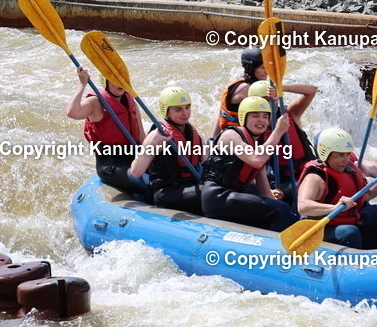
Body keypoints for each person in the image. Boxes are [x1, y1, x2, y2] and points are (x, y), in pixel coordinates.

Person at [297, 128, 377, 250]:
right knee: (350, 232)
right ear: (325, 154)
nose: (345, 159)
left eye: (347, 154)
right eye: (340, 155)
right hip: (323, 229)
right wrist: (334, 207)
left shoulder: (349, 171)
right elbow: (303, 206)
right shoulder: (315, 177)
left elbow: (368, 195)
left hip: (352, 224)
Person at [201, 96, 295, 232]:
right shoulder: (230, 135)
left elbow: (264, 191)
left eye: (265, 116)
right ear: (243, 117)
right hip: (218, 197)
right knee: (280, 210)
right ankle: (279, 244)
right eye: (255, 116)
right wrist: (279, 131)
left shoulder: (260, 145)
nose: (261, 120)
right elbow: (257, 160)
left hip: (236, 197)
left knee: (283, 207)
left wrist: (285, 211)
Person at [66, 66, 150, 198]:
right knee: (151, 184)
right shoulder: (95, 102)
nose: (120, 83)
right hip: (111, 166)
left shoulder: (130, 101)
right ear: (105, 81)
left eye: (122, 79)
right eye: (114, 80)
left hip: (134, 158)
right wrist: (82, 84)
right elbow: (72, 112)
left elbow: (141, 137)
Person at [128, 86, 205, 215]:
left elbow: (206, 163)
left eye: (187, 107)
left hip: (190, 186)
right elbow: (136, 171)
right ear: (166, 111)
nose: (185, 113)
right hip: (167, 193)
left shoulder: (194, 133)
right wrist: (153, 143)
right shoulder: (156, 135)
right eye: (178, 109)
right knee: (208, 193)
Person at [246, 79, 317, 189]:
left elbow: (312, 90)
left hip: (308, 172)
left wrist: (281, 88)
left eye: (273, 98)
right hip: (281, 181)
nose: (271, 103)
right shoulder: (252, 128)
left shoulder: (291, 113)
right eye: (265, 100)